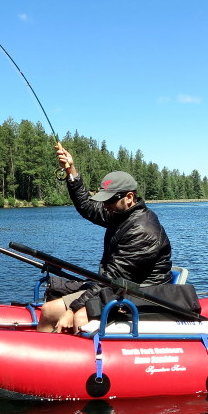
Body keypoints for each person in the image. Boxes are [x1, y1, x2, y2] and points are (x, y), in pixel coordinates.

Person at [38, 142, 174, 333]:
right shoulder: (121, 215)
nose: (106, 205)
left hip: (143, 294)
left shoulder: (143, 230)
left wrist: (73, 308)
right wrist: (71, 170)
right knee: (50, 307)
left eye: (110, 200)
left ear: (129, 196)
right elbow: (87, 207)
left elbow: (112, 279)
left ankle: (85, 358)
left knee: (76, 315)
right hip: (120, 286)